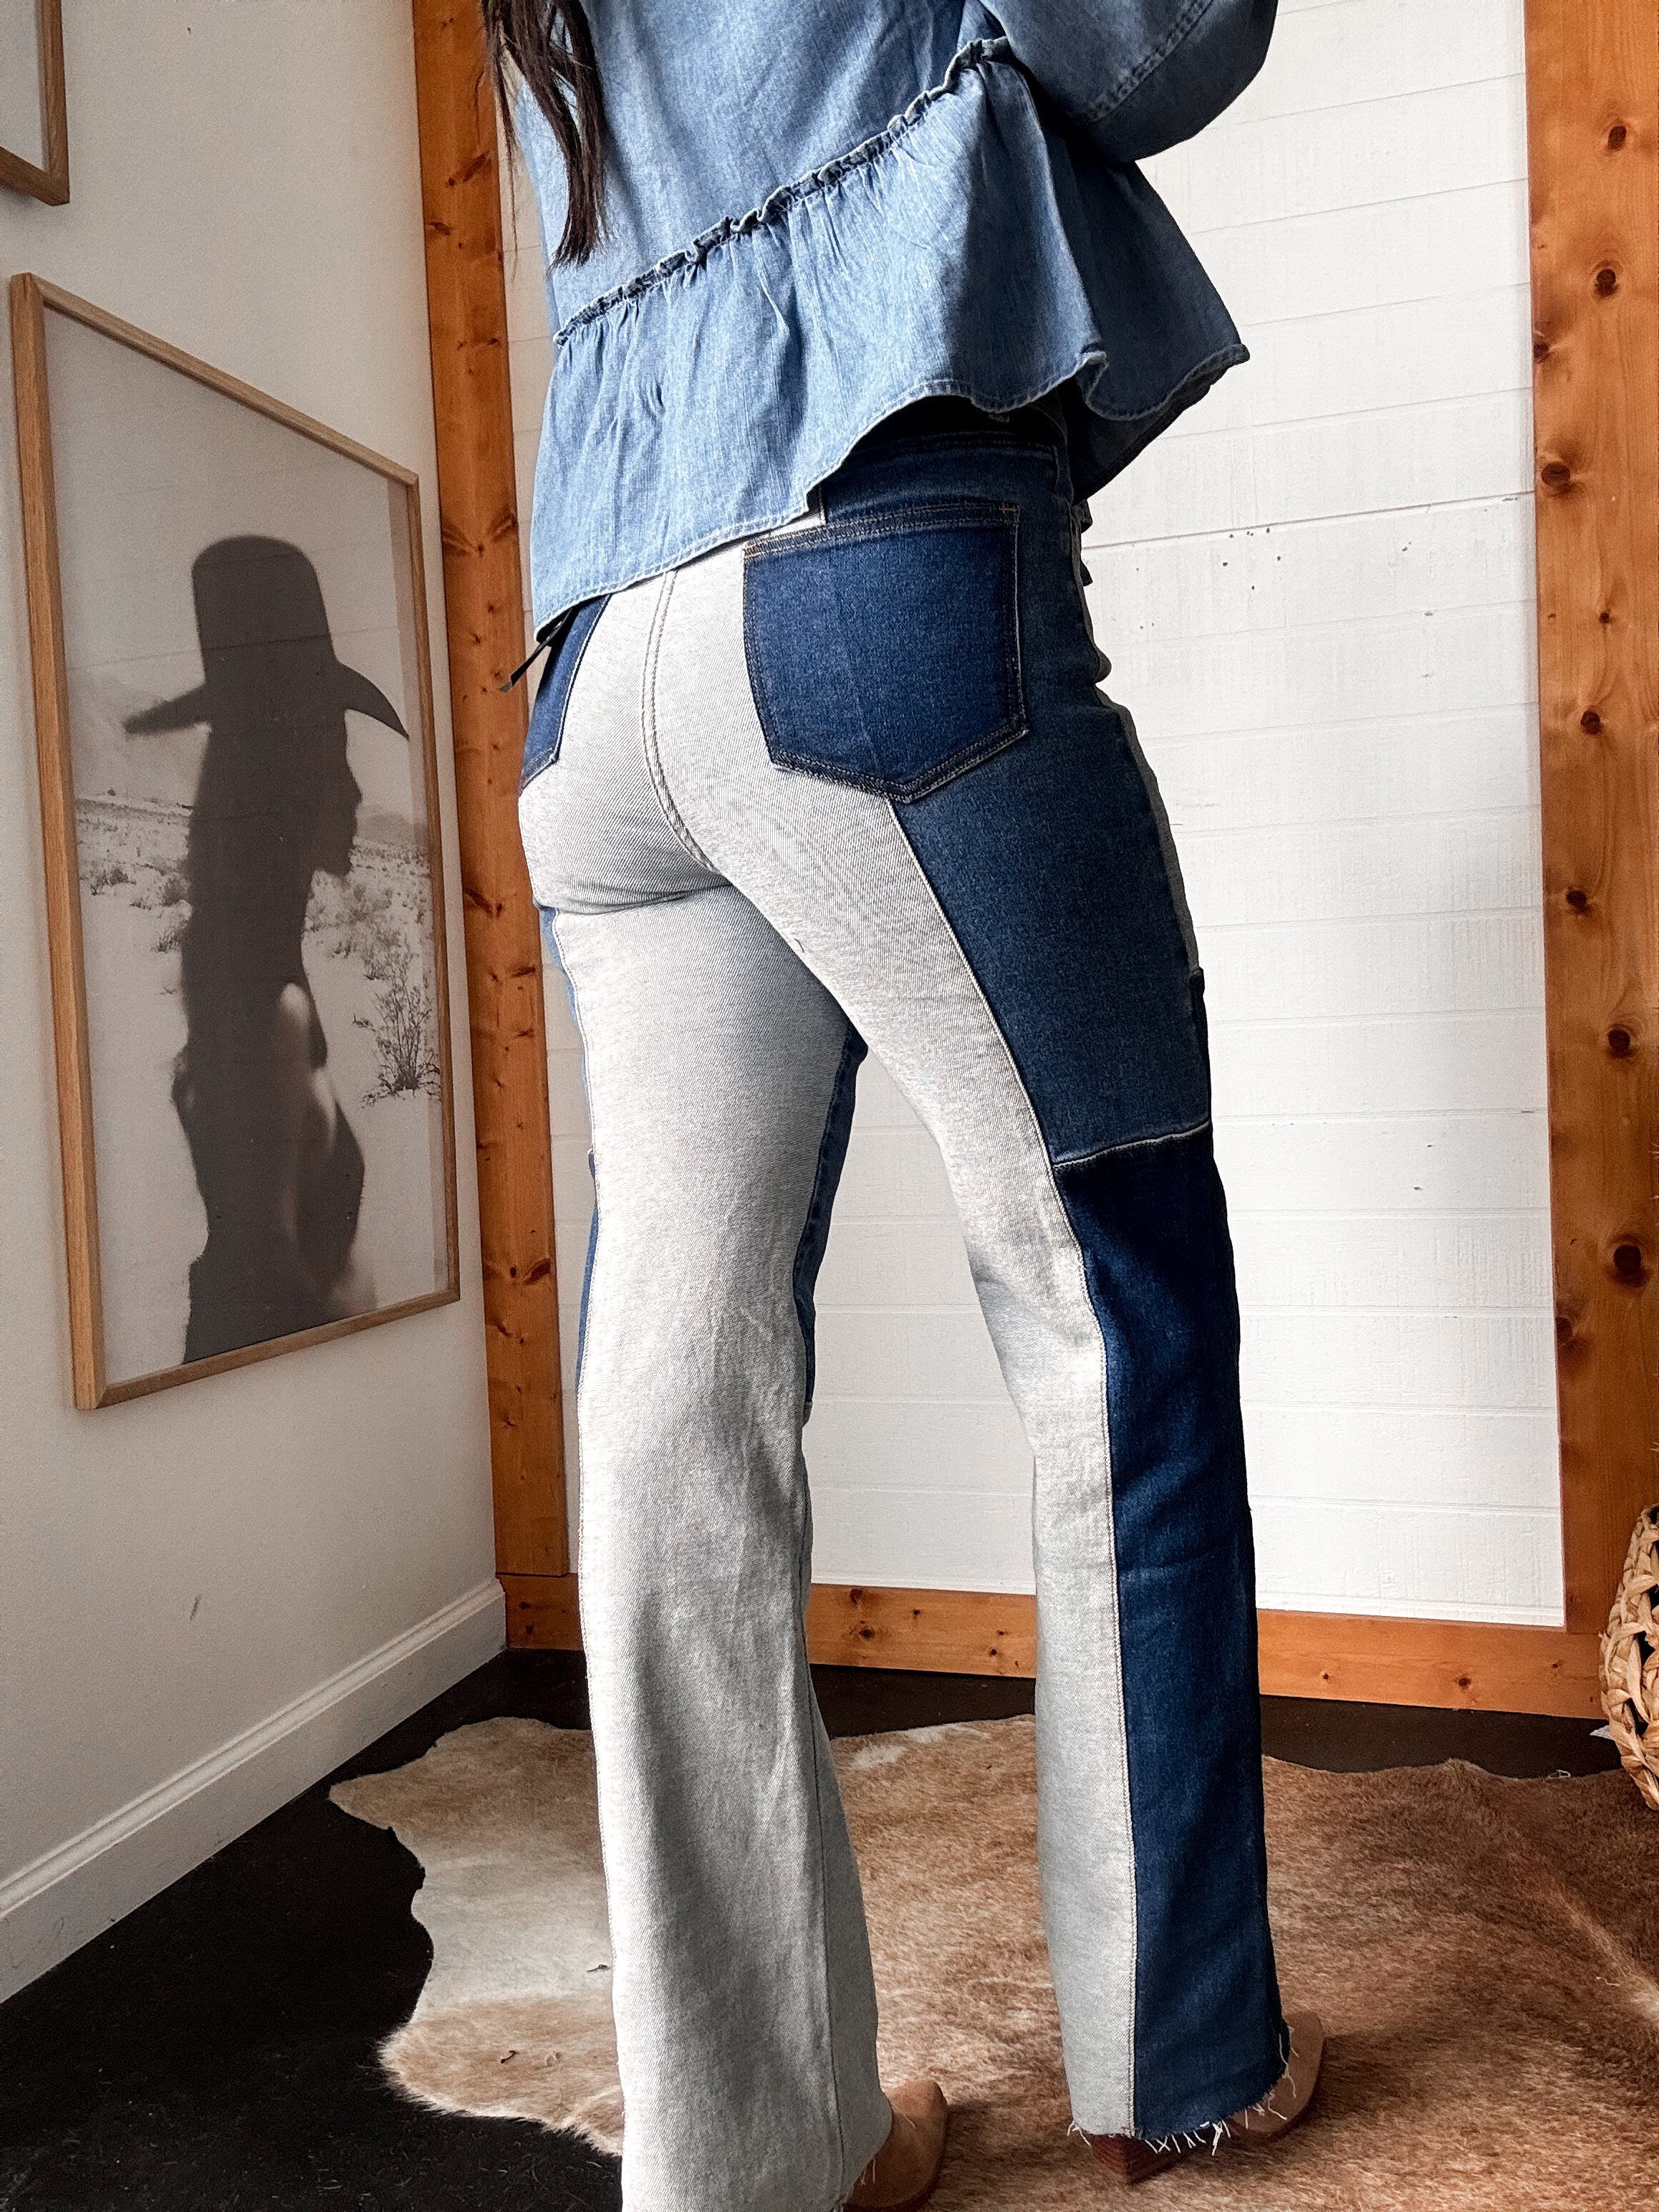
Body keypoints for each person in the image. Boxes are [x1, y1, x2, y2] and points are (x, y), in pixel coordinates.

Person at [491, 4, 1324, 2205]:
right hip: (875, 580)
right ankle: (1187, 2059)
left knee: (667, 1390)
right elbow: (1150, 46)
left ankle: (750, 2152)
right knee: (1110, 1297)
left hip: (598, 682)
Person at [126, 537, 403, 1364]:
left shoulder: (257, 979)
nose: (354, 791)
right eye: (335, 754)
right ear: (285, 773)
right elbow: (260, 1296)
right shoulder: (270, 1012)